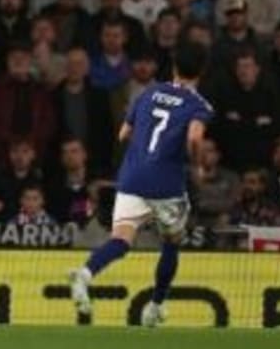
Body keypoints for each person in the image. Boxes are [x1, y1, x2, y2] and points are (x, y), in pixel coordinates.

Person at [69, 40, 213, 328]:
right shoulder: (198, 105)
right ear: (202, 71)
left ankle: (85, 273)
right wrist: (196, 165)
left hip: (132, 177)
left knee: (121, 240)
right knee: (171, 243)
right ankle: (156, 306)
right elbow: (195, 138)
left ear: (173, 66)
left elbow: (124, 134)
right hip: (167, 185)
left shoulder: (148, 92)